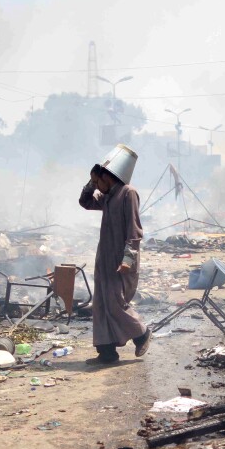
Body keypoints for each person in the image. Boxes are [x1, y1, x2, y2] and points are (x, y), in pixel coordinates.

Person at [78, 146, 151, 365]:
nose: (97, 186)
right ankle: (107, 351)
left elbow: (134, 232)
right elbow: (85, 202)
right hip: (105, 259)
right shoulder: (107, 197)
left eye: (99, 181)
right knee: (101, 304)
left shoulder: (128, 193)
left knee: (115, 303)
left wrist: (128, 260)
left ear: (109, 178)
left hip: (122, 261)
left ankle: (142, 334)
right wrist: (91, 182)